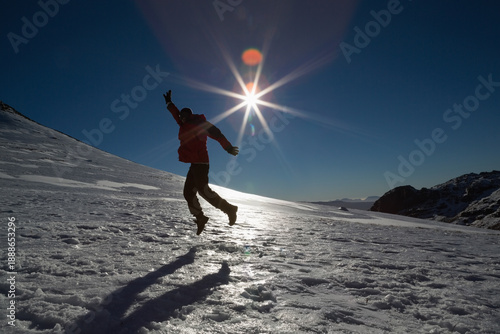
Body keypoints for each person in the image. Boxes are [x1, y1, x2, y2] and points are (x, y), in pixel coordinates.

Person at [163, 90, 239, 235]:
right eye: (181, 116)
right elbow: (175, 113)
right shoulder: (183, 123)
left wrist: (227, 147)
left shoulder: (199, 123)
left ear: (189, 115)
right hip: (194, 164)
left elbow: (217, 133)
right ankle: (200, 217)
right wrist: (169, 103)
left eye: (184, 116)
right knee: (188, 193)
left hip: (202, 163)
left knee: (203, 190)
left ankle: (229, 209)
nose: (182, 118)